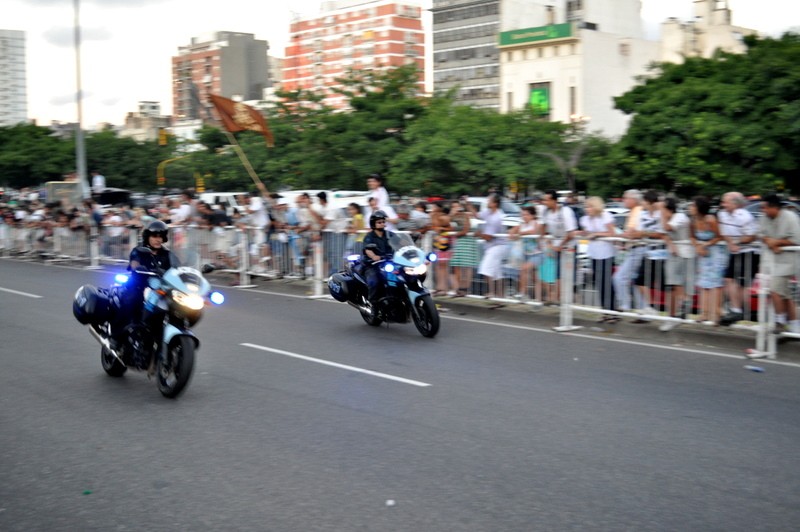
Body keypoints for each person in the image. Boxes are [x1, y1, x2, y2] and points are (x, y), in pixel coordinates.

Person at [112, 221, 180, 343]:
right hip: (139, 285)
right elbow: (134, 265)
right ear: (147, 237)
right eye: (154, 236)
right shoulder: (138, 251)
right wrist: (139, 268)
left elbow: (178, 269)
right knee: (131, 299)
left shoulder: (168, 254)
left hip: (161, 288)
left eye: (160, 236)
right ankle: (116, 337)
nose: (158, 239)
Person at [758, 193, 800, 335]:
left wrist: (778, 242)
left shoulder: (790, 217)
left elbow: (796, 239)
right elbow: (760, 234)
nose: (762, 210)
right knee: (786, 295)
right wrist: (770, 242)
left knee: (775, 290)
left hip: (789, 260)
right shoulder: (764, 217)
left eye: (764, 207)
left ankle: (780, 321)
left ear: (774, 207)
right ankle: (795, 325)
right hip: (773, 260)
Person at [717, 191, 760, 325]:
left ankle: (740, 310)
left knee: (742, 284)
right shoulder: (722, 214)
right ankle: (736, 309)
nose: (723, 204)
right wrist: (731, 243)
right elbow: (724, 233)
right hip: (735, 251)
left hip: (749, 251)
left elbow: (752, 236)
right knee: (729, 279)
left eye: (726, 202)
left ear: (735, 204)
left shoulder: (744, 216)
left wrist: (738, 243)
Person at [690, 195, 727, 325]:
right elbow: (692, 237)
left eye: (693, 205)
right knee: (703, 283)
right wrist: (697, 247)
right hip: (703, 254)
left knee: (715, 284)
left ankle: (716, 314)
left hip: (715, 253)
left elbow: (720, 236)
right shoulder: (693, 221)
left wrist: (706, 245)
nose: (691, 208)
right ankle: (704, 313)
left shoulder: (710, 220)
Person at [579, 197, 617, 322]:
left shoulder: (605, 216)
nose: (587, 209)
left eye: (590, 207)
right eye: (586, 207)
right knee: (599, 283)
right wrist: (580, 233)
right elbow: (586, 232)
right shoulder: (586, 219)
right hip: (594, 253)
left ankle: (613, 311)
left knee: (607, 283)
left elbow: (612, 233)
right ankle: (604, 311)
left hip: (606, 253)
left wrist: (597, 234)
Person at [658, 197, 694, 331]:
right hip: (674, 254)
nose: (660, 211)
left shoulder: (679, 216)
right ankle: (672, 316)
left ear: (669, 209)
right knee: (672, 286)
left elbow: (666, 228)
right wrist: (671, 244)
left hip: (684, 254)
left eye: (663, 208)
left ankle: (684, 303)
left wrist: (662, 214)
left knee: (675, 283)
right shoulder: (667, 218)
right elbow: (663, 234)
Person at [466, 193, 509, 304]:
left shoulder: (497, 217)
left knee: (486, 268)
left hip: (498, 245)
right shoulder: (488, 212)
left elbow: (489, 237)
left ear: (495, 203)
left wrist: (479, 234)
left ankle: (492, 293)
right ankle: (500, 296)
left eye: (489, 201)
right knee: (496, 272)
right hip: (492, 246)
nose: (487, 202)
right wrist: (469, 205)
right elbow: (477, 215)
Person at [539, 189, 578, 306]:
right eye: (544, 200)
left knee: (566, 274)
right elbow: (542, 227)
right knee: (557, 274)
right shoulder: (546, 212)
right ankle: (557, 299)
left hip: (569, 246)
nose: (544, 202)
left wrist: (560, 246)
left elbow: (571, 233)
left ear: (554, 201)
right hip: (556, 245)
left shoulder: (565, 211)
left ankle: (565, 300)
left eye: (547, 200)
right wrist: (546, 241)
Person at [613, 189, 645, 316]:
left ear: (634, 199)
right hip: (634, 249)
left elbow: (631, 232)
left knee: (619, 277)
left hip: (637, 249)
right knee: (636, 282)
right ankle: (643, 311)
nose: (623, 200)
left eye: (625, 198)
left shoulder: (637, 211)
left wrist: (619, 237)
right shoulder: (634, 211)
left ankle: (625, 305)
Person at [508, 205, 542, 301]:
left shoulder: (535, 223)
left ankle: (523, 293)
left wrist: (520, 234)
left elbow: (533, 231)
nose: (524, 216)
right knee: (534, 277)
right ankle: (538, 298)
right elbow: (512, 231)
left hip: (537, 254)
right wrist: (512, 233)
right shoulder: (521, 225)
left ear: (532, 215)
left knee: (524, 270)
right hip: (526, 254)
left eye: (526, 214)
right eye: (522, 214)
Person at [362, 210, 394, 307]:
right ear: (373, 224)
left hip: (389, 262)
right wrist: (374, 256)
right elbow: (368, 249)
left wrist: (410, 241)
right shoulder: (369, 236)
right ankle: (373, 305)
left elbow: (400, 242)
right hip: (372, 265)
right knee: (374, 281)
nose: (382, 224)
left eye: (383, 222)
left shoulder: (389, 234)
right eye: (379, 222)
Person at [449, 198, 479, 297]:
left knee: (465, 267)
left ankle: (464, 289)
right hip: (457, 243)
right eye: (453, 207)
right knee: (457, 266)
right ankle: (458, 289)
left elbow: (466, 229)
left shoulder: (467, 216)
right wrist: (452, 214)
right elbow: (446, 224)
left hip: (466, 243)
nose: (456, 208)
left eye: (457, 206)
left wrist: (457, 234)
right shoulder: (453, 217)